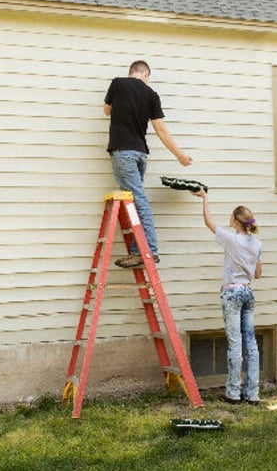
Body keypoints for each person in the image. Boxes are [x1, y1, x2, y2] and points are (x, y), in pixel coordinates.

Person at [103, 60, 193, 268]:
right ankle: (138, 251)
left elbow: (106, 110)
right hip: (141, 154)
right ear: (146, 75)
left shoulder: (118, 83)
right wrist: (180, 155)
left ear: (131, 72)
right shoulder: (152, 95)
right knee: (135, 202)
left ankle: (149, 251)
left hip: (123, 152)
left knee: (139, 202)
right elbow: (161, 130)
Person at [193, 188, 263, 405]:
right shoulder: (257, 243)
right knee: (250, 344)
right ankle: (252, 394)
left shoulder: (232, 239)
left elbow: (208, 222)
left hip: (231, 293)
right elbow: (258, 274)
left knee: (235, 343)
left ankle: (233, 393)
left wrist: (204, 198)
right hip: (248, 293)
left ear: (235, 220)